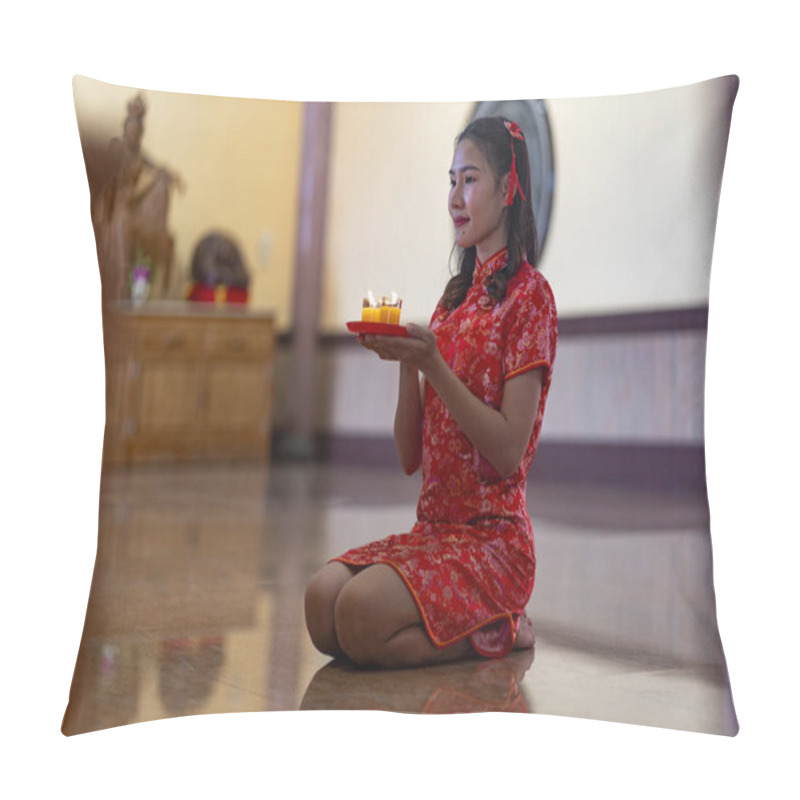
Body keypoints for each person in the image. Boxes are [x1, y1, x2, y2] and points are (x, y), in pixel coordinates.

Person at [304, 116, 557, 668]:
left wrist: (434, 365)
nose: (455, 198)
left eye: (470, 180)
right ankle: (472, 623)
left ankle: (500, 627)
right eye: (451, 181)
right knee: (322, 603)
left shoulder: (530, 298)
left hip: (492, 545)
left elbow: (509, 450)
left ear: (508, 188)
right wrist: (406, 362)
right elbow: (408, 457)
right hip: (436, 531)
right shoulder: (452, 301)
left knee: (360, 617)